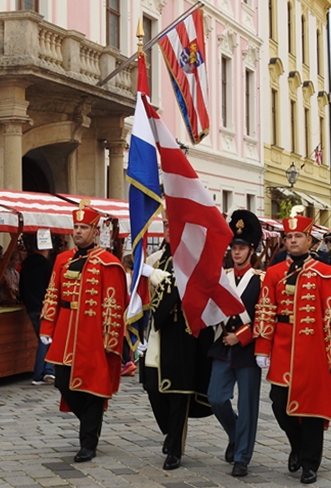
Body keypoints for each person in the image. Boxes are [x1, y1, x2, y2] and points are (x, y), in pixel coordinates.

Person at [254, 210, 331, 485]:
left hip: (314, 349)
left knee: (311, 409)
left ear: (310, 240)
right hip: (283, 347)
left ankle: (310, 462)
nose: (293, 241)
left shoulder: (326, 273)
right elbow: (265, 310)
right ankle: (296, 445)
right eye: (289, 237)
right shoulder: (273, 273)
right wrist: (263, 347)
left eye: (298, 236)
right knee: (279, 403)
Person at [39, 203, 127, 463]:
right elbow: (52, 293)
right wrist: (47, 326)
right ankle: (93, 420)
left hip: (91, 335)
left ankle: (88, 442)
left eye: (83, 227)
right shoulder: (62, 259)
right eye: (75, 227)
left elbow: (113, 304)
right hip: (66, 330)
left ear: (94, 231)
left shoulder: (108, 263)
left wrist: (110, 341)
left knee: (92, 388)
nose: (77, 232)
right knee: (62, 382)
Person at [142, 215, 214, 471]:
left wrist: (158, 277)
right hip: (158, 333)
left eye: (174, 224)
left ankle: (175, 447)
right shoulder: (156, 258)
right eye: (167, 225)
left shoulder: (194, 259)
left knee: (178, 393)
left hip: (183, 335)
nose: (169, 229)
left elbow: (185, 286)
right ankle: (169, 433)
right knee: (152, 387)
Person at [207, 210, 263, 478]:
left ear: (251, 250)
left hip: (249, 349)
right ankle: (237, 434)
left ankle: (242, 456)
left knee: (248, 404)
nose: (236, 252)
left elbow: (265, 317)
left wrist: (240, 336)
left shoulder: (261, 280)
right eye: (233, 247)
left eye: (241, 247)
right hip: (222, 346)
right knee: (216, 398)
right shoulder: (223, 277)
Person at [19, 235, 54, 386]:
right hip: (44, 306)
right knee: (45, 338)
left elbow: (21, 286)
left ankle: (45, 370)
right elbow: (51, 287)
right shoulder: (46, 265)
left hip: (31, 307)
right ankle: (43, 372)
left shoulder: (26, 263)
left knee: (43, 338)